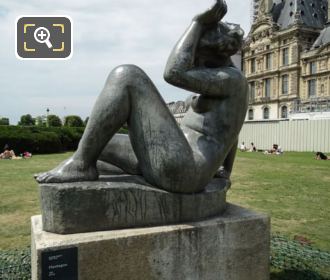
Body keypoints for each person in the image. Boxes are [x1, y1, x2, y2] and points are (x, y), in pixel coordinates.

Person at [36, 0, 248, 193]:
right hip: (177, 158)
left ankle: (80, 166)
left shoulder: (232, 80)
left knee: (127, 75)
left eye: (196, 55)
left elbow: (173, 72)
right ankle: (83, 165)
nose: (192, 61)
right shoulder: (223, 84)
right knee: (96, 144)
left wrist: (197, 23)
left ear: (214, 52)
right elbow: (233, 132)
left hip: (185, 169)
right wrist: (224, 171)